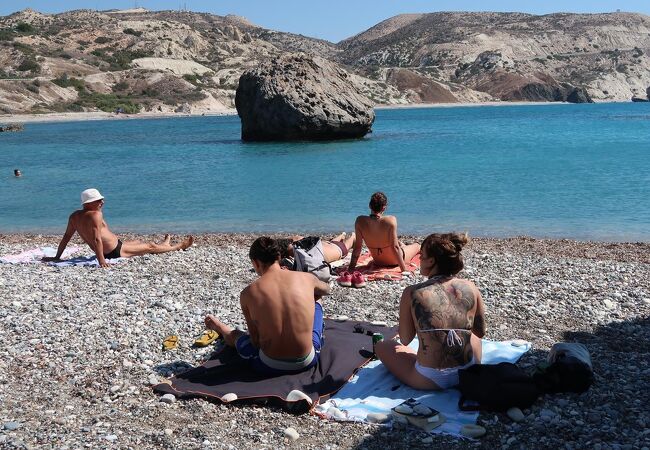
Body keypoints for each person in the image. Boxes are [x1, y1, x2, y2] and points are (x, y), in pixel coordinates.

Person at [375, 232, 486, 390]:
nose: (419, 260)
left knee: (383, 346)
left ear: (432, 261)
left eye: (422, 256)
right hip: (468, 372)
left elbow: (406, 339)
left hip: (430, 379)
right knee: (473, 337)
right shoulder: (470, 286)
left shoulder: (412, 292)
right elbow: (480, 332)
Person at [205, 236, 331, 375]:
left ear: (256, 263)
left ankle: (221, 329)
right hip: (307, 361)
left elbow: (256, 341)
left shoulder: (247, 294)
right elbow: (326, 289)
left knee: (236, 337)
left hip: (269, 365)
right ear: (278, 256)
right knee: (317, 297)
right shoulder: (306, 278)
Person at [42, 188, 193, 268]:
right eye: (98, 200)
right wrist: (101, 261)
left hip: (115, 245)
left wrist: (57, 257)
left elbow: (66, 237)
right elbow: (96, 238)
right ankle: (179, 246)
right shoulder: (95, 215)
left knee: (138, 241)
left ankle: (165, 245)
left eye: (101, 199)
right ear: (87, 203)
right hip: (113, 252)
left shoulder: (74, 216)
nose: (102, 202)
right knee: (149, 246)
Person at [347, 192, 420, 273]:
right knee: (416, 246)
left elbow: (357, 248)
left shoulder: (360, 221)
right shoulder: (390, 220)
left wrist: (351, 268)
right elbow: (395, 247)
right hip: (394, 261)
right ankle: (404, 246)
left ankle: (402, 245)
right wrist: (403, 269)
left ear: (369, 206)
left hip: (378, 261)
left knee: (399, 244)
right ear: (384, 208)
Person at [277, 232, 356, 264]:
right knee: (332, 242)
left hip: (338, 249)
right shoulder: (299, 240)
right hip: (326, 244)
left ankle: (351, 235)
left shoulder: (300, 255)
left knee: (350, 241)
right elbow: (293, 239)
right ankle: (342, 235)